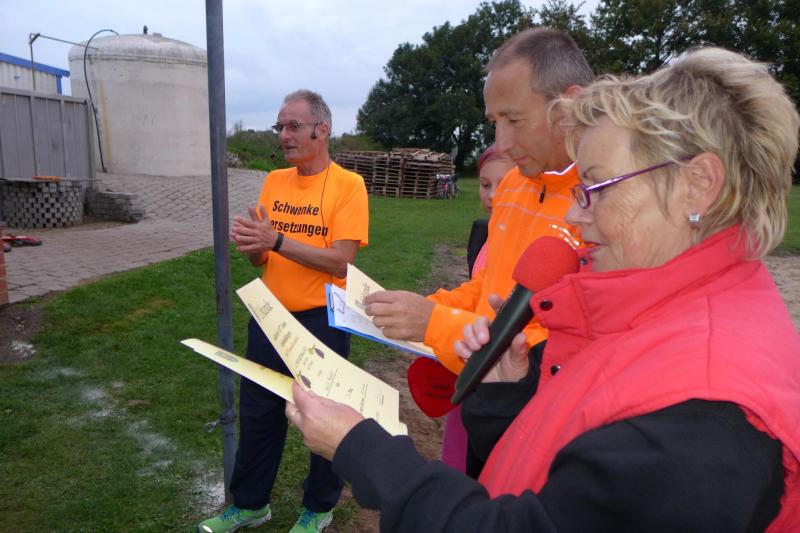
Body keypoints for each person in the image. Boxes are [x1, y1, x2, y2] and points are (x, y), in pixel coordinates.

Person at [287, 47, 800, 531]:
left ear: (698, 185)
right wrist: (508, 396)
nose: (575, 214)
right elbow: (566, 463)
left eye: (597, 187)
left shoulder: (707, 418)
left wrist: (364, 450)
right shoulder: (657, 313)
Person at [364, 28, 590, 385]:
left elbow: (562, 345)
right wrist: (429, 305)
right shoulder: (513, 185)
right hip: (483, 392)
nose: (501, 144)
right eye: (495, 123)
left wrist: (434, 322)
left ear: (570, 107)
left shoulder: (605, 204)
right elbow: (489, 287)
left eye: (514, 120)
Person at [198, 90, 369, 533]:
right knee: (258, 416)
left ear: (322, 130)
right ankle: (251, 504)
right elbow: (264, 258)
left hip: (320, 322)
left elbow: (341, 261)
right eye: (280, 127)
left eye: (293, 126)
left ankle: (319, 508)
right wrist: (255, 246)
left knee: (324, 418)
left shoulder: (348, 185)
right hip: (269, 317)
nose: (284, 136)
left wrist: (274, 240)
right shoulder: (275, 180)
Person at [444, 144, 515, 474]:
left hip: (496, 370)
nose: (493, 195)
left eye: (505, 184)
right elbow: (478, 290)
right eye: (485, 185)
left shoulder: (517, 238)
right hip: (471, 359)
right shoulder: (491, 233)